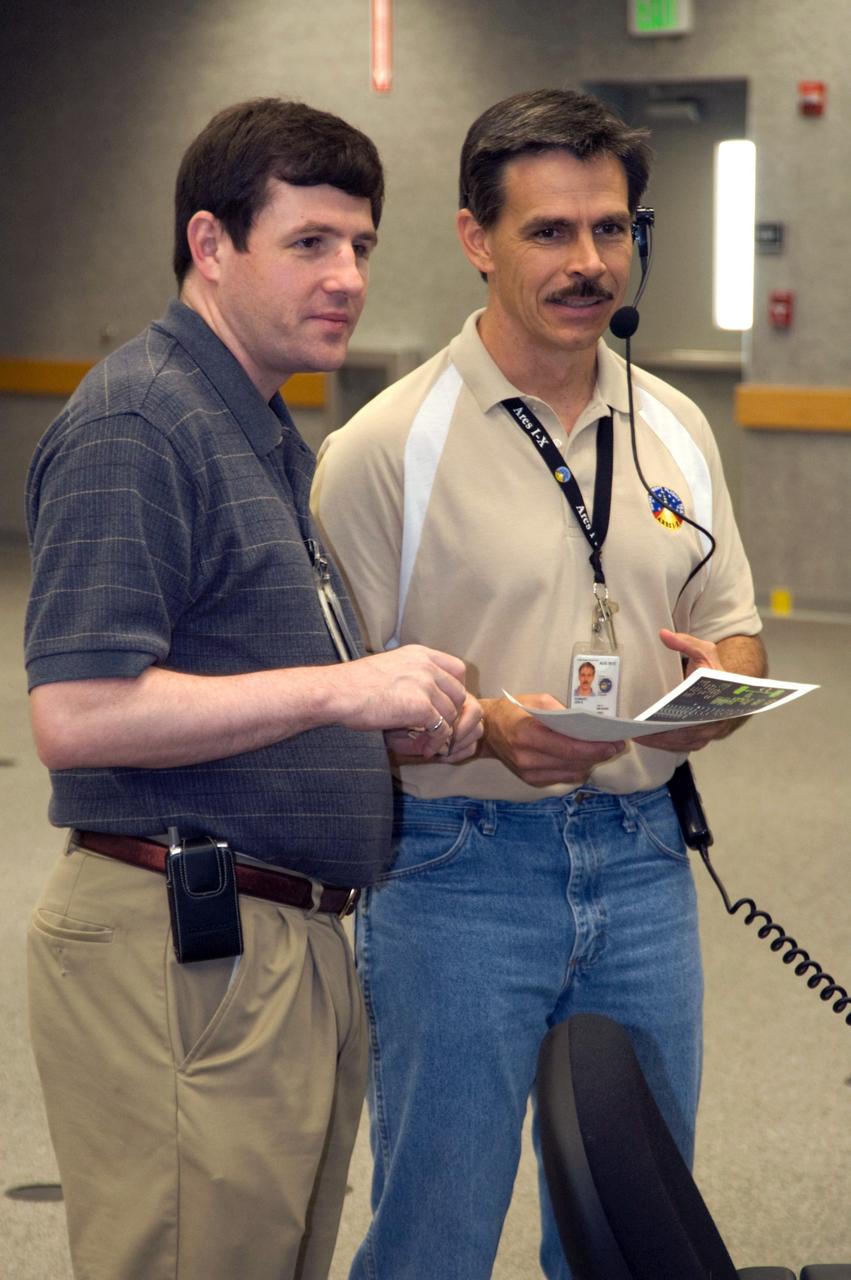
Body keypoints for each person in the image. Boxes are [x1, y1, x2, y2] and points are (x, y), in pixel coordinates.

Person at [311, 88, 767, 1280]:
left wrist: (722, 687)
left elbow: (739, 635)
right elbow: (324, 715)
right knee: (435, 1231)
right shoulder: (379, 450)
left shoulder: (672, 426)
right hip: (458, 870)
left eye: (610, 229)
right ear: (476, 238)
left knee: (631, 1227)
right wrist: (478, 733)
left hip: (642, 858)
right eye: (549, 232)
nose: (588, 262)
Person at [24, 97, 481, 1280]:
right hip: (185, 947)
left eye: (362, 246)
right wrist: (342, 693)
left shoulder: (260, 427)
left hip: (285, 946)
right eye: (309, 243)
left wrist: (386, 728)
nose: (345, 277)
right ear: (211, 244)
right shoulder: (142, 419)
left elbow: (237, 681)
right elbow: (77, 715)